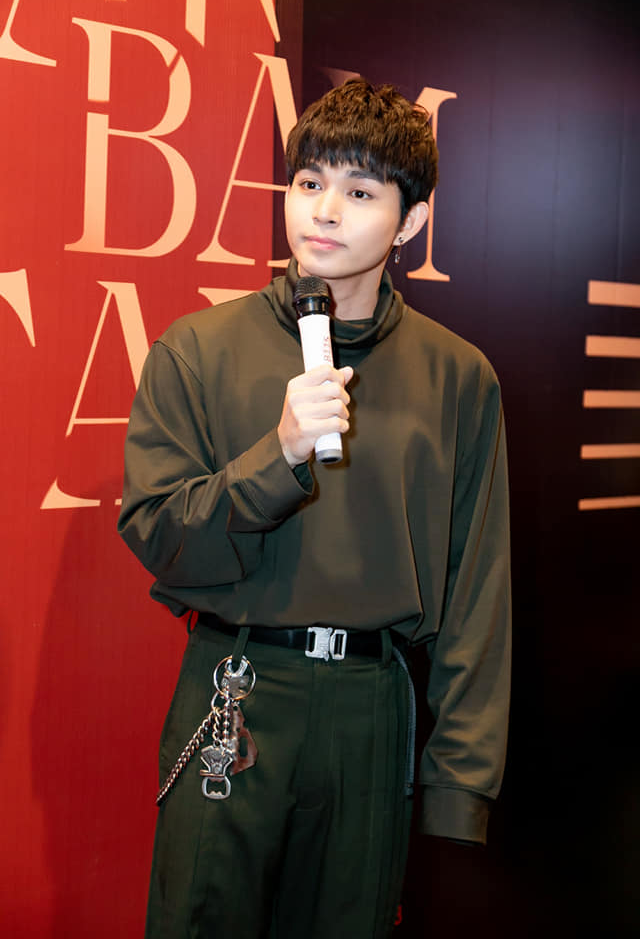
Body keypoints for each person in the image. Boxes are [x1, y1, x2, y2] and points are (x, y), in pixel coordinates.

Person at [118, 78, 511, 939]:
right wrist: (280, 454)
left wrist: (458, 786)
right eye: (308, 183)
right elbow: (159, 537)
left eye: (360, 193)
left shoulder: (458, 377)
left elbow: (478, 590)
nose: (324, 212)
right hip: (236, 689)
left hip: (372, 708)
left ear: (409, 222)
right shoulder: (198, 349)